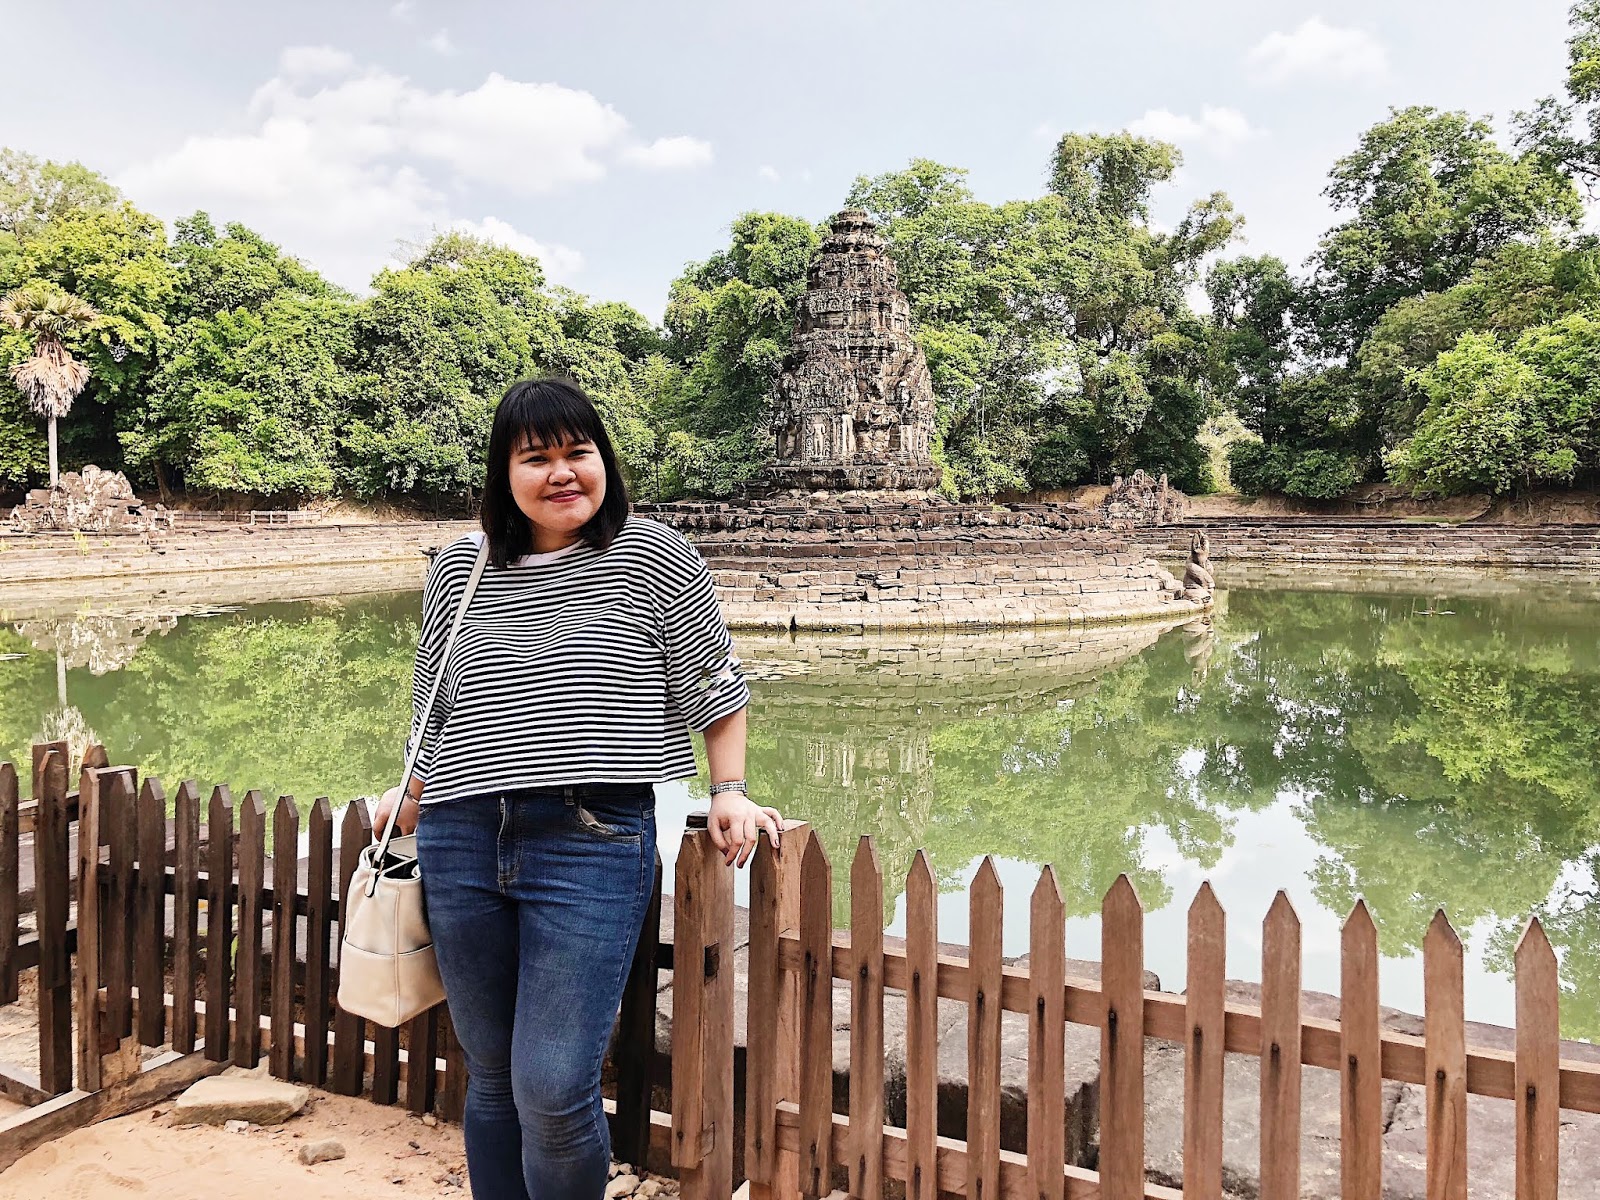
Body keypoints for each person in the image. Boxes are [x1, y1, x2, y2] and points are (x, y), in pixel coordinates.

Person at [373, 376, 782, 1199]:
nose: (562, 473)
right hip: (459, 834)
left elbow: (714, 681)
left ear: (603, 461)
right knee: (489, 1075)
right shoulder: (461, 566)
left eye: (577, 452)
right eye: (537, 457)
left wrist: (729, 787)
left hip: (590, 838)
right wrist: (410, 790)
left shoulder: (653, 554)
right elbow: (436, 698)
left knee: (554, 1086)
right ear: (504, 473)